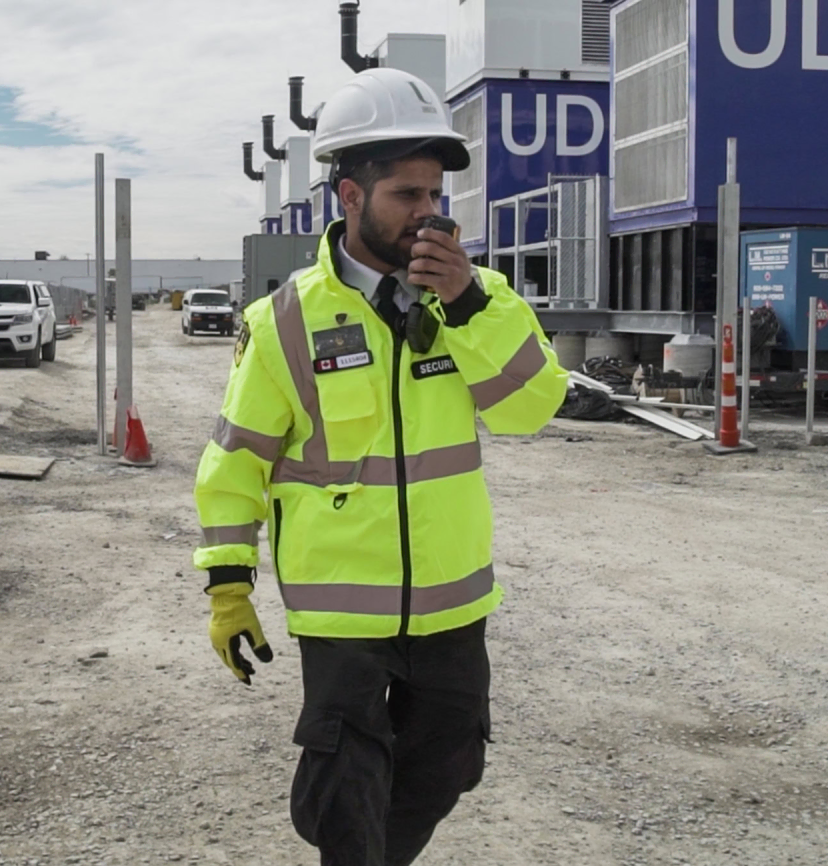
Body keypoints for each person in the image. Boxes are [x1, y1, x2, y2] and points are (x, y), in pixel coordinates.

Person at [193, 67, 569, 866]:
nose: (428, 215)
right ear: (350, 196)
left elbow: (531, 409)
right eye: (407, 195)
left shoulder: (478, 296)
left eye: (435, 196)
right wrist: (229, 585)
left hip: (452, 603)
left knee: (449, 765)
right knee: (346, 788)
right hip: (342, 616)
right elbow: (235, 462)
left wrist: (468, 308)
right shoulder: (285, 321)